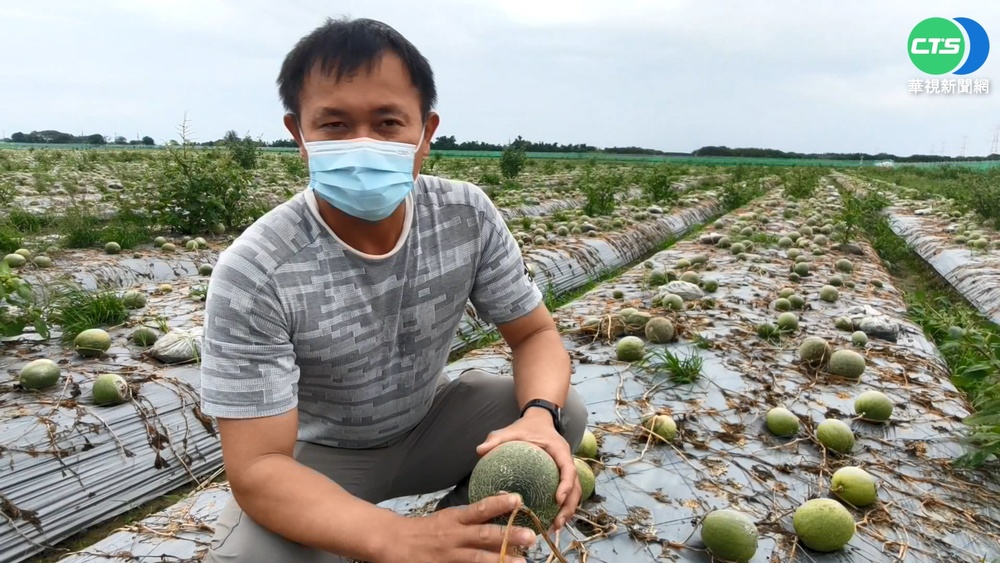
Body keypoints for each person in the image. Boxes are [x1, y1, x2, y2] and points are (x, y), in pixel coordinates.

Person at [198, 16, 588, 563]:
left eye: (387, 122)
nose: (362, 143)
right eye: (334, 124)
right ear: (299, 136)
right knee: (251, 559)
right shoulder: (256, 271)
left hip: (429, 425)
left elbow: (534, 335)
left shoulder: (465, 215)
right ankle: (410, 542)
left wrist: (538, 416)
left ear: (426, 133)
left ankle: (471, 538)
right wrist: (394, 537)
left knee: (563, 411)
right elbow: (259, 468)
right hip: (317, 457)